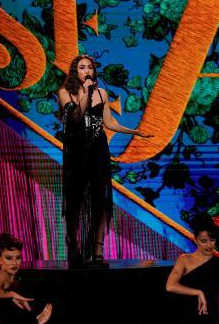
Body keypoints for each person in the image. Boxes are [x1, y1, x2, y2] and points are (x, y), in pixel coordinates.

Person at [58, 54, 150, 266]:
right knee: (75, 200)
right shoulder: (66, 92)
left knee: (100, 200)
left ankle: (98, 249)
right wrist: (87, 93)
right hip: (76, 151)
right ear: (75, 71)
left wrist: (134, 131)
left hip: (98, 149)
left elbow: (108, 122)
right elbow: (75, 117)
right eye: (82, 67)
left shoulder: (102, 93)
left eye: (90, 67)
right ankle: (74, 245)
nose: (87, 70)